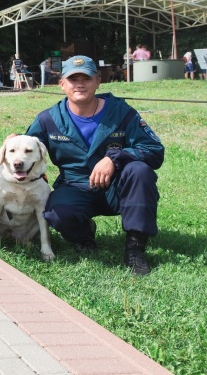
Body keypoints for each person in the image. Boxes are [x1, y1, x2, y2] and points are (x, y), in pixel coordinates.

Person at [26, 55, 164, 275]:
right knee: (56, 212)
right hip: (75, 185)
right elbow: (28, 148)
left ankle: (135, 247)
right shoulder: (48, 119)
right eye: (73, 79)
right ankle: (84, 235)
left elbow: (155, 151)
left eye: (87, 78)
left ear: (98, 81)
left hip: (119, 188)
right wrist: (13, 141)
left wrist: (114, 158)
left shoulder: (122, 113)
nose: (80, 84)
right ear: (62, 84)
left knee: (139, 171)